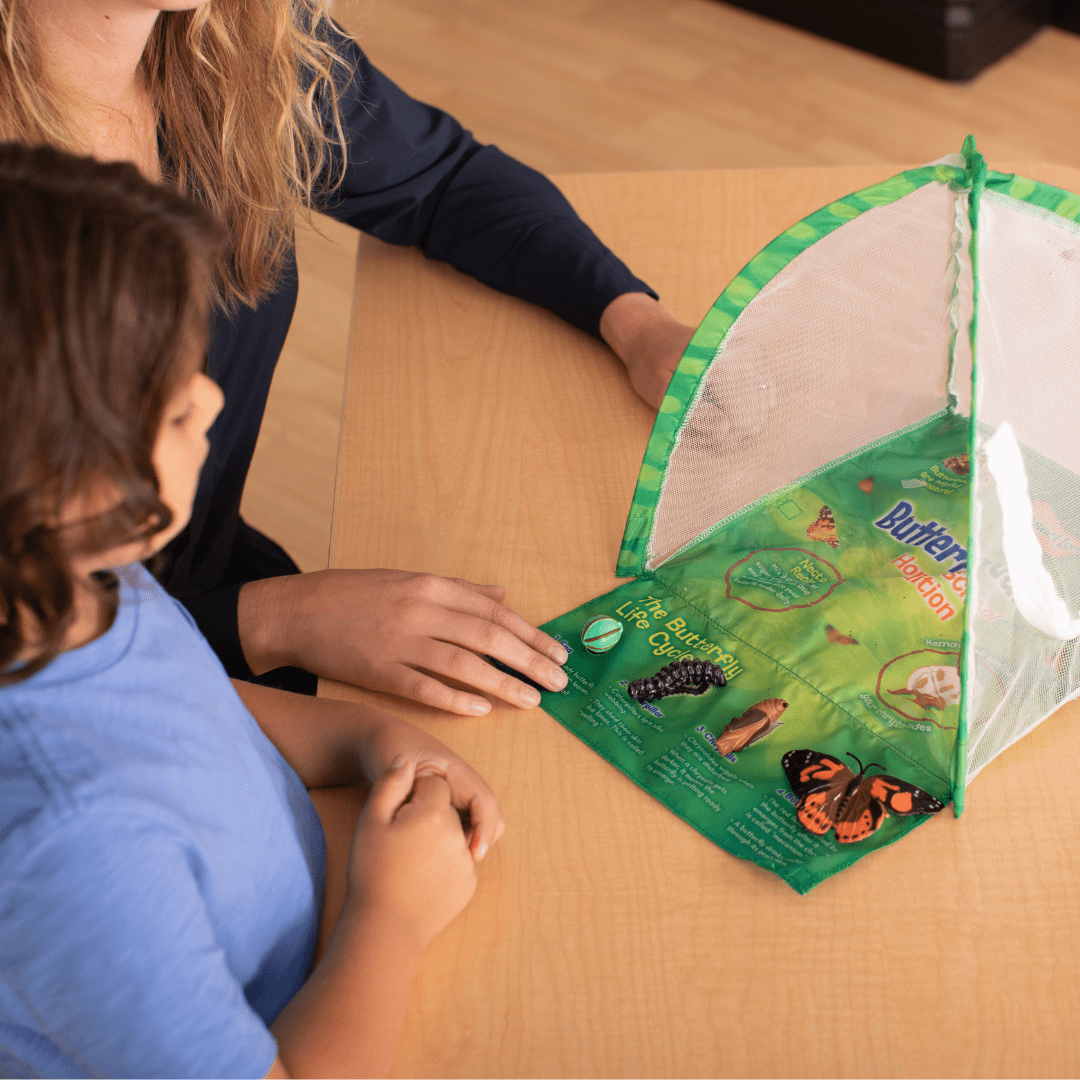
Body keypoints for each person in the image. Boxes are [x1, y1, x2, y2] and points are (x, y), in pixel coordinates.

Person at [0, 0, 697, 708]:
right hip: (76, 688)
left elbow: (444, 181)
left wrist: (636, 324)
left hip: (219, 589)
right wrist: (273, 621)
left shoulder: (238, 36)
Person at [0, 141, 503, 1079]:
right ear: (62, 482)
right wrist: (391, 915)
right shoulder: (75, 848)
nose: (213, 397)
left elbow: (191, 701)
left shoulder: (78, 578)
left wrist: (364, 736)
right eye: (177, 407)